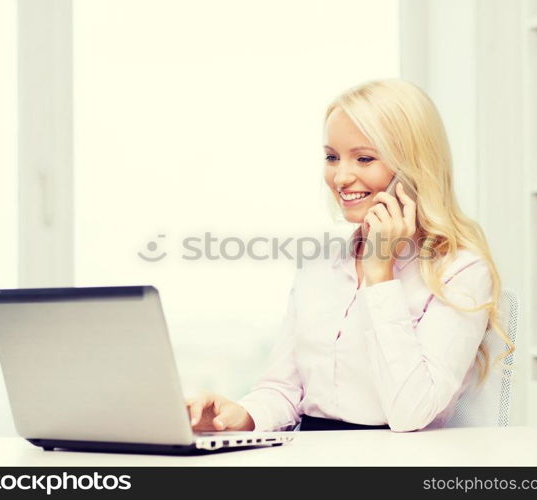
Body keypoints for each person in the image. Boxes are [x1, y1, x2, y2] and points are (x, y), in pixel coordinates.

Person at [185, 78, 514, 433]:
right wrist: (239, 417)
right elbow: (282, 389)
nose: (341, 177)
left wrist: (380, 274)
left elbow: (411, 413)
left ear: (414, 167)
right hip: (311, 454)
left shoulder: (460, 272)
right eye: (332, 157)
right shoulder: (319, 266)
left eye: (364, 158)